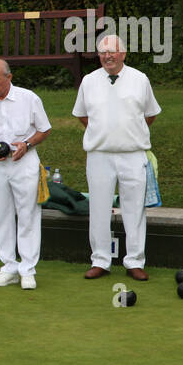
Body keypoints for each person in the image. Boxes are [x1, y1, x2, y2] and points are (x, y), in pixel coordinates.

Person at [73, 34, 161, 281]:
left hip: (133, 154)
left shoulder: (139, 79)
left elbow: (150, 115)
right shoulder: (89, 81)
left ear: (123, 54)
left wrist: (129, 133)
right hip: (99, 155)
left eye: (112, 52)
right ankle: (100, 260)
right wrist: (104, 133)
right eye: (103, 52)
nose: (107, 56)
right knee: (99, 208)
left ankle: (134, 261)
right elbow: (82, 115)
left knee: (134, 209)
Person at [0, 59, 51, 289]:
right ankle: (8, 266)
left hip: (25, 162)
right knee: (2, 215)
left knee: (28, 214)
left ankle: (27, 268)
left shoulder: (29, 98)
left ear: (9, 77)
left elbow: (44, 129)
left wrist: (26, 144)